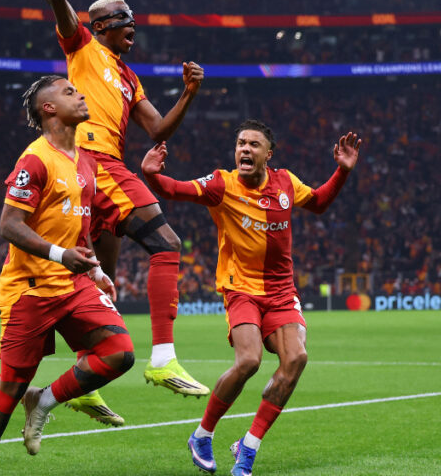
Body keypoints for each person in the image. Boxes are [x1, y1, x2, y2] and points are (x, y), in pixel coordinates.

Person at [38, 0, 208, 413]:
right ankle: (162, 357)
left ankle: (84, 379)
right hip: (93, 160)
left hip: (97, 171)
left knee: (98, 275)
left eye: (132, 18)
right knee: (167, 244)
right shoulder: (83, 49)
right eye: (123, 18)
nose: (133, 25)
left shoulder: (129, 78)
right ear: (100, 25)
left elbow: (158, 130)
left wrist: (190, 95)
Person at [140, 121, 361, 476]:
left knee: (296, 358)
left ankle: (248, 447)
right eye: (241, 143)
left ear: (267, 155)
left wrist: (342, 171)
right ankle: (202, 435)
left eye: (254, 145)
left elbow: (318, 202)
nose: (245, 149)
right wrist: (151, 175)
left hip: (281, 291)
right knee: (249, 361)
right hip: (241, 288)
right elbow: (174, 189)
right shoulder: (221, 184)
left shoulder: (286, 182)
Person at [0, 75, 133, 476]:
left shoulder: (85, 161)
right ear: (48, 108)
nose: (81, 95)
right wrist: (59, 254)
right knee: (10, 384)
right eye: (70, 92)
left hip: (73, 282)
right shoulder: (35, 159)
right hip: (30, 289)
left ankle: (46, 400)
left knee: (118, 353)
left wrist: (97, 269)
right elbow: (9, 224)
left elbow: (81, 229)